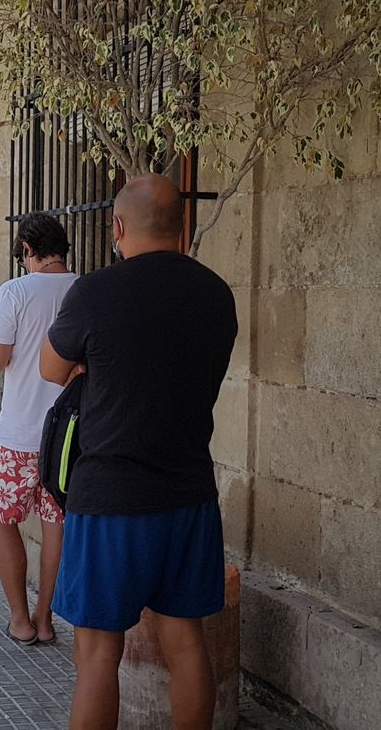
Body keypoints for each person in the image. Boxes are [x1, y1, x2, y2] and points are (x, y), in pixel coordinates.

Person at [40, 175, 238, 730]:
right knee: (185, 640)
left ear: (118, 228)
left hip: (109, 497)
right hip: (189, 495)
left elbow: (50, 368)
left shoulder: (97, 291)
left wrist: (92, 364)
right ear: (183, 226)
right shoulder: (215, 293)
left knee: (98, 652)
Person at [0, 213, 79, 646]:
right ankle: (45, 617)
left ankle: (19, 619)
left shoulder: (15, 291)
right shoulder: (84, 288)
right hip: (69, 439)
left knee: (2, 521)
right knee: (57, 526)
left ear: (26, 249)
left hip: (18, 435)